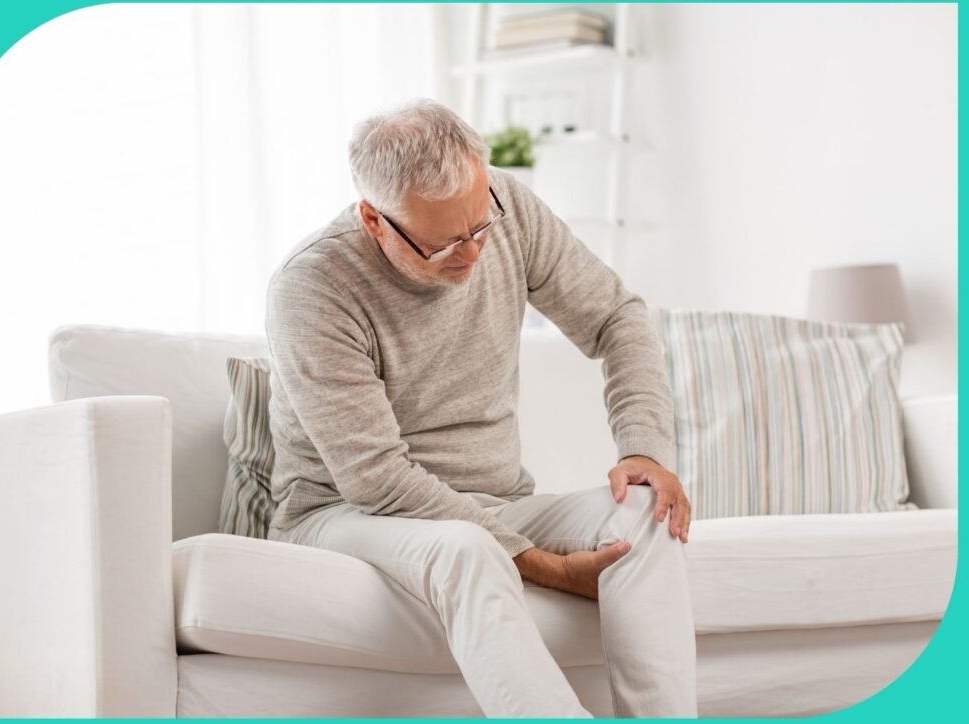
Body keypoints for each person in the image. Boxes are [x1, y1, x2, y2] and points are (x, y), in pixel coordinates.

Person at [264, 98, 697, 718]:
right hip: (342, 512)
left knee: (648, 513)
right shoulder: (312, 288)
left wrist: (643, 449)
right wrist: (543, 565)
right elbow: (376, 479)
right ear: (374, 219)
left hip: (497, 498)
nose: (472, 255)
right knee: (465, 548)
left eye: (479, 227)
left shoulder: (505, 204)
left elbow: (617, 316)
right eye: (442, 246)